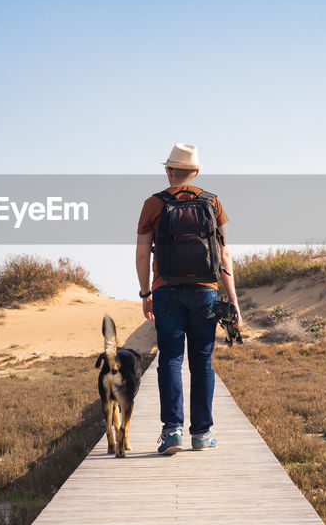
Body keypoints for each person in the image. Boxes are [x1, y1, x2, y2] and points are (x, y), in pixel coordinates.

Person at [136, 142, 241, 455]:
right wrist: (233, 300)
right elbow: (223, 254)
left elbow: (142, 253)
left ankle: (172, 431)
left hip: (166, 290)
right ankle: (202, 434)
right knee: (202, 363)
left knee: (170, 358)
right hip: (206, 292)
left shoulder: (153, 204)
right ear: (195, 172)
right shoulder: (213, 202)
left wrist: (145, 292)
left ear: (168, 171)